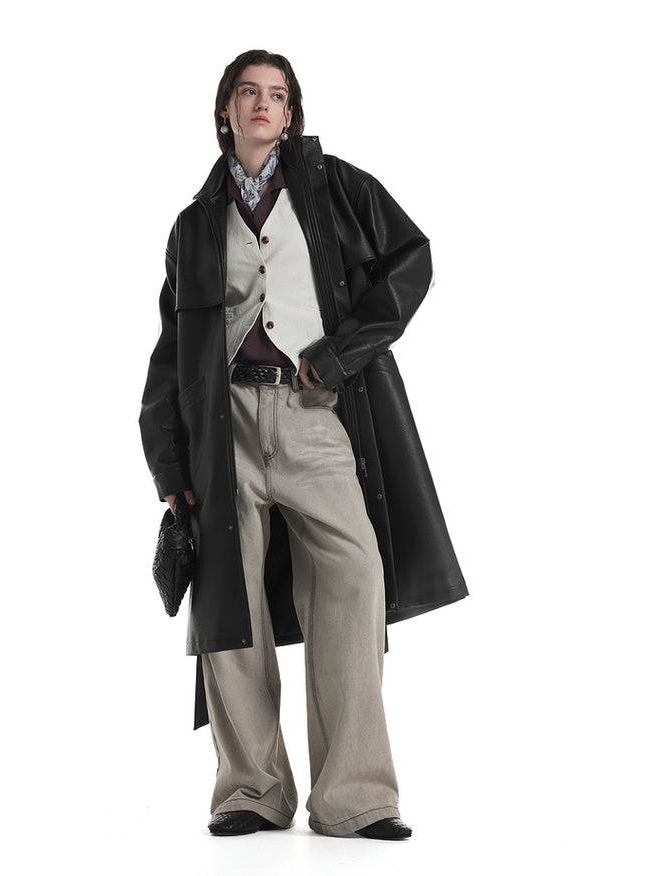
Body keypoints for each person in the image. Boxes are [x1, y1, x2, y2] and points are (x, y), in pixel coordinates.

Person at [139, 49, 468, 840]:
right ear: (226, 110)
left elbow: (411, 260)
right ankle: (250, 789)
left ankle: (356, 796)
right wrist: (170, 463)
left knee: (354, 576)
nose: (263, 104)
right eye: (248, 92)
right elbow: (169, 352)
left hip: (315, 413)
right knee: (229, 603)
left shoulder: (335, 189)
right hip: (224, 427)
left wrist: (343, 351)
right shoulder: (193, 226)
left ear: (290, 114)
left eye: (277, 95)